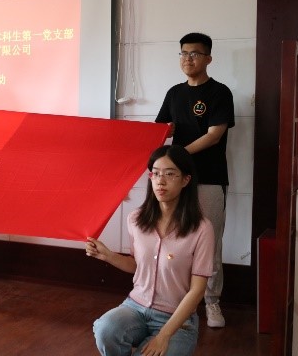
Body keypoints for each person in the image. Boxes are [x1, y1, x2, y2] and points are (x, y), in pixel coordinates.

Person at [87, 145, 214, 356]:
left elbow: (197, 290)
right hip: (135, 308)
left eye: (170, 174)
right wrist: (106, 255)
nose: (160, 181)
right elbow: (137, 265)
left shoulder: (202, 229)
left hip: (177, 319)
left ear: (185, 180)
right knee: (105, 329)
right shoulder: (136, 219)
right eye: (156, 173)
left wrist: (163, 336)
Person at [155, 32, 235, 328]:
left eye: (195, 54)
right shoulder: (174, 93)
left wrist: (179, 154)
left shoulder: (219, 92)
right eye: (183, 53)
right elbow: (163, 129)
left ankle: (211, 302)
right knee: (174, 238)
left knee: (210, 241)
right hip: (175, 179)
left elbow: (214, 135)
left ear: (208, 58)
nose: (188, 59)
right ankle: (175, 301)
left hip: (209, 178)